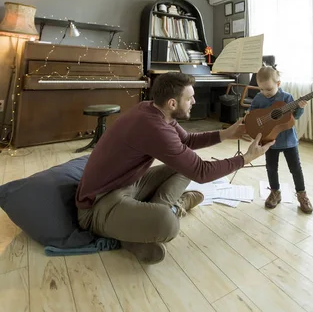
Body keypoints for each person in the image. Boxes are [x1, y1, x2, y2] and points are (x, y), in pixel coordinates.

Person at [76, 72, 274, 264]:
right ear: (172, 103)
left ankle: (139, 224)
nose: (194, 102)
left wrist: (226, 134)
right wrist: (246, 158)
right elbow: (202, 172)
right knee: (168, 223)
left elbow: (187, 140)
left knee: (182, 167)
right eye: (190, 98)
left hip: (129, 183)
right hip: (98, 204)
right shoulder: (154, 127)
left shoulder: (153, 109)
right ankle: (162, 214)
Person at [250, 65, 313, 214]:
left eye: (269, 89)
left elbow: (294, 117)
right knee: (271, 168)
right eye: (262, 89)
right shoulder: (259, 98)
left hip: (288, 141)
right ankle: (275, 192)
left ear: (278, 84)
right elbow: (252, 114)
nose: (265, 93)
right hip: (269, 141)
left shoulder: (287, 98)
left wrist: (301, 107)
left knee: (295, 169)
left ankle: (302, 195)